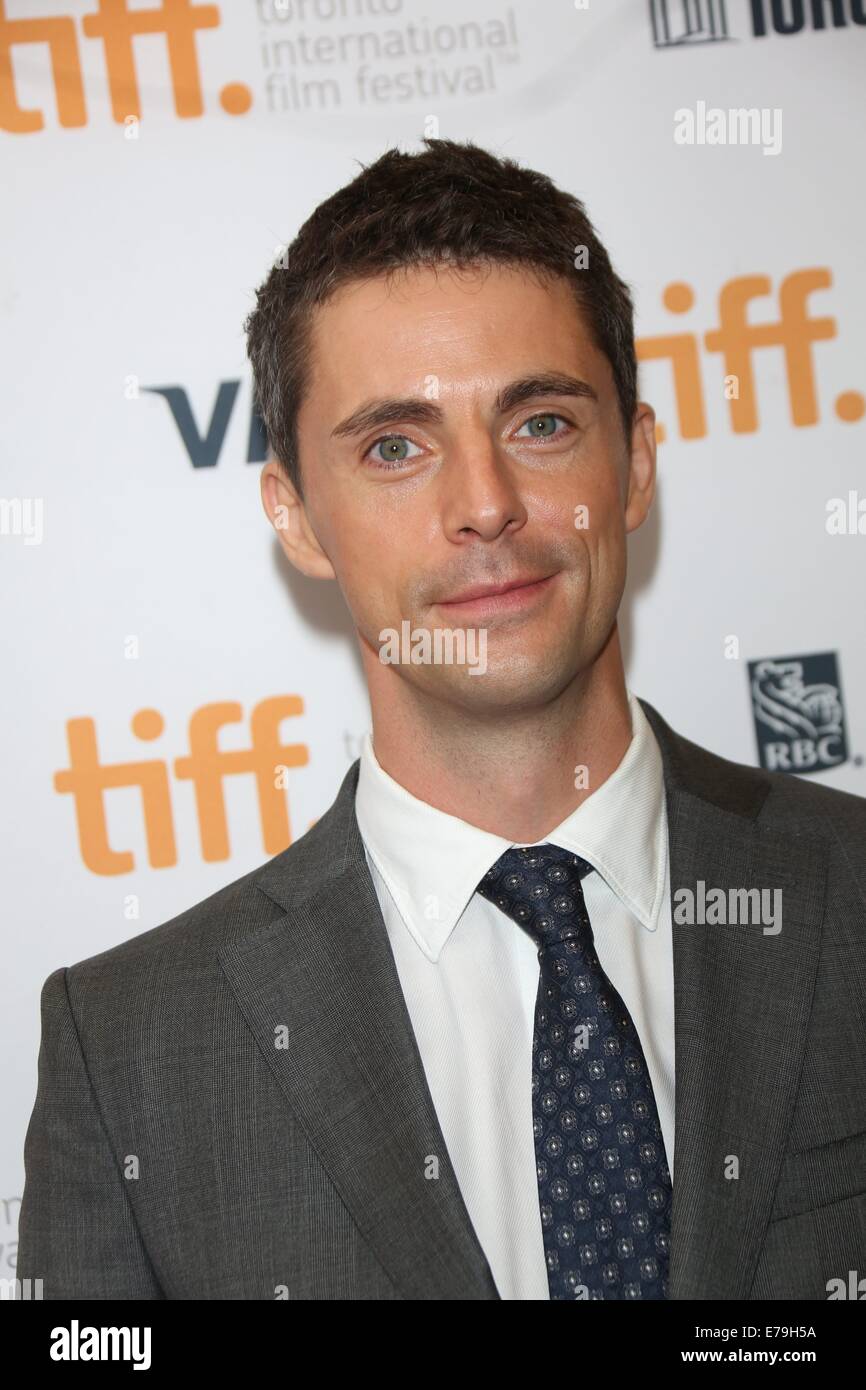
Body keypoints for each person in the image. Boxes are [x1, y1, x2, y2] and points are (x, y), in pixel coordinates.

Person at [18, 139, 866, 1301]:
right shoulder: (130, 1055)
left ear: (633, 462)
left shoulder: (851, 890)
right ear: (298, 519)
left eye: (540, 423)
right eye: (396, 447)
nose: (484, 505)